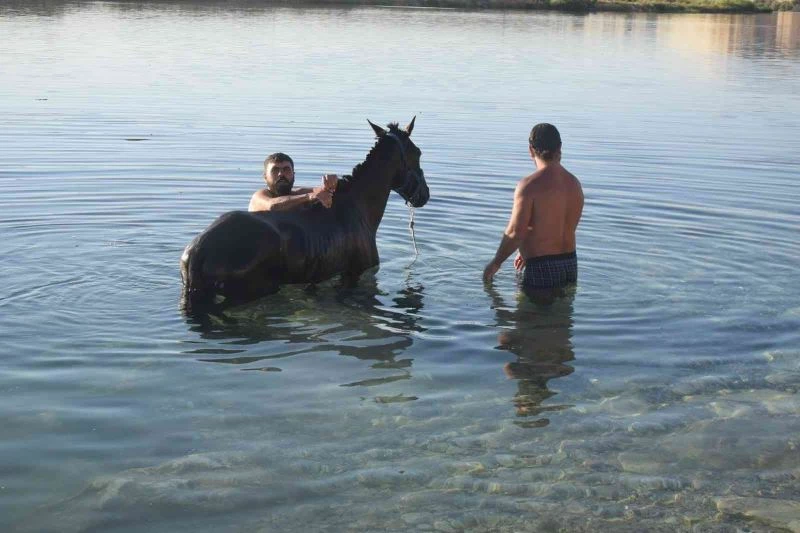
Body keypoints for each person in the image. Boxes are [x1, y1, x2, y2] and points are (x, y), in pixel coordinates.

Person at [482, 123, 584, 295]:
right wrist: (527, 249)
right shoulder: (574, 184)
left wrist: (495, 263)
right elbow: (559, 227)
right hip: (570, 265)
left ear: (531, 150)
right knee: (562, 320)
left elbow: (515, 232)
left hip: (541, 268)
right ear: (560, 147)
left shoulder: (529, 186)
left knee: (529, 321)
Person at [248, 152, 339, 212]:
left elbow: (321, 191)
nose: (281, 174)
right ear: (265, 177)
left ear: (293, 174)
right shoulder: (258, 197)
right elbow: (272, 206)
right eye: (275, 170)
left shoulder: (297, 194)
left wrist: (331, 185)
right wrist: (310, 196)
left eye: (286, 169)